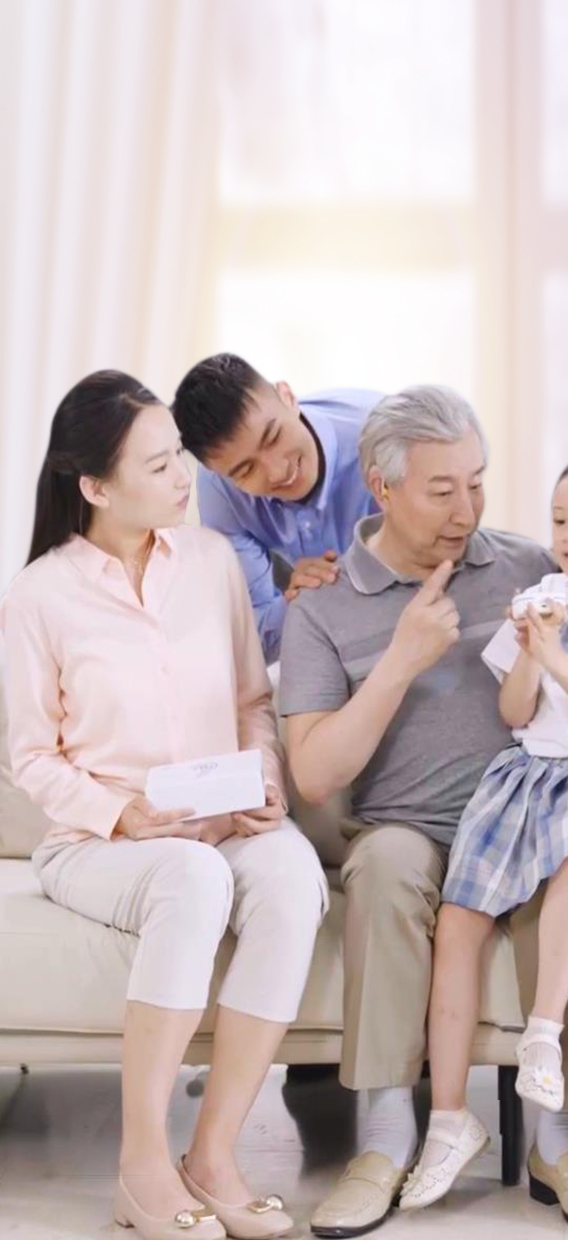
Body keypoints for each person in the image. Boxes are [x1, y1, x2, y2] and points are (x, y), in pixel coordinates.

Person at [279, 387, 568, 1239]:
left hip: (524, 814)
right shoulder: (325, 606)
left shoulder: (532, 569)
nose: (467, 509)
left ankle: (562, 1142)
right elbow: (315, 774)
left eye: (477, 483)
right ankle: (385, 1139)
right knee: (383, 868)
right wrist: (401, 659)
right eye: (442, 490)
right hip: (402, 827)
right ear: (382, 487)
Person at [2, 372, 328, 1240]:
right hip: (100, 842)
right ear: (96, 487)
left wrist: (263, 778)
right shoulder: (39, 596)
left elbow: (254, 700)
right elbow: (31, 757)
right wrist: (124, 817)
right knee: (190, 876)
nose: (185, 478)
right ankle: (142, 1166)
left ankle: (212, 1156)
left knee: (292, 876)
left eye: (179, 457)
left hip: (222, 823)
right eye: (158, 466)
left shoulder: (213, 562)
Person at [400, 451, 568, 1220]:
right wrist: (528, 651)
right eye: (559, 521)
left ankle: (543, 1034)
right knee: (459, 919)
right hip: (526, 772)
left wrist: (554, 652)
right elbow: (516, 713)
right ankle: (449, 1120)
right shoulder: (539, 598)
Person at [172, 353, 381, 663]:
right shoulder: (219, 488)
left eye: (273, 437)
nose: (277, 472)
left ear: (288, 396)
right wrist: (299, 600)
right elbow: (250, 638)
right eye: (246, 471)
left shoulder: (386, 437)